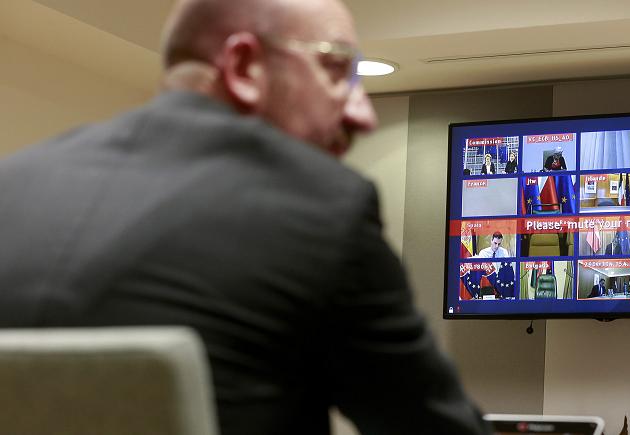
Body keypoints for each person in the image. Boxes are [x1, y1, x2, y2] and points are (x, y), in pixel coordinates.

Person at [0, 1, 490, 434]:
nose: (363, 115)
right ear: (243, 67)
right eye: (336, 69)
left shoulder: (14, 184)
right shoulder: (322, 209)